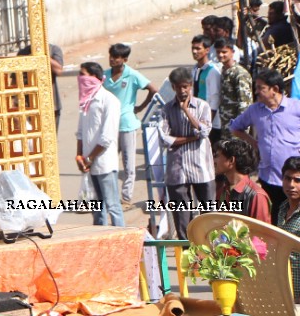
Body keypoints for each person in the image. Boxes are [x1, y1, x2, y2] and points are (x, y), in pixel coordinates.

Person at [230, 69, 300, 215]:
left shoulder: (295, 107)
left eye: (260, 88)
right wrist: (253, 142)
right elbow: (235, 128)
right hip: (269, 177)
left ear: (274, 89)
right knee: (274, 216)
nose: (256, 92)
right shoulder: (255, 110)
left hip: (296, 177)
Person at [159, 66, 215, 240]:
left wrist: (186, 111)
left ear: (190, 85)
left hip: (202, 169)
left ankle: (210, 257)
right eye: (178, 87)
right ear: (173, 87)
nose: (182, 91)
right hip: (177, 172)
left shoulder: (202, 106)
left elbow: (204, 132)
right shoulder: (166, 110)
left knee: (209, 218)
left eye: (185, 87)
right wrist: (192, 138)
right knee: (182, 222)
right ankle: (187, 258)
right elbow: (164, 139)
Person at [103, 43, 158, 207]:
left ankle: (126, 196)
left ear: (124, 59)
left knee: (128, 163)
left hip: (126, 123)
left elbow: (153, 89)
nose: (112, 59)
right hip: (109, 124)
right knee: (108, 161)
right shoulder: (105, 76)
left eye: (116, 57)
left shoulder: (132, 75)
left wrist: (140, 107)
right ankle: (109, 194)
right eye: (111, 56)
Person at [76, 62, 124, 228]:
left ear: (95, 78)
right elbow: (81, 132)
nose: (81, 79)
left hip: (104, 162)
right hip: (89, 161)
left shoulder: (109, 101)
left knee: (112, 205)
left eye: (84, 75)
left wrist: (90, 157)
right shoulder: (86, 102)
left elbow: (107, 136)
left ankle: (122, 240)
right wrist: (80, 156)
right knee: (97, 207)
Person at [213, 138, 271, 223]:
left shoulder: (256, 196)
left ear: (231, 160)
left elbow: (262, 233)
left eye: (216, 156)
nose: (213, 161)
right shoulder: (222, 192)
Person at [19, 42, 64, 129]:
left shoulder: (53, 50)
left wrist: (44, 56)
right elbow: (15, 78)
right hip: (29, 105)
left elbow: (59, 70)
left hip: (51, 103)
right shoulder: (24, 52)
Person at [274, 156, 300, 302]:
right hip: (284, 291)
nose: (291, 185)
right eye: (287, 179)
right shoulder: (283, 208)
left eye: (298, 180)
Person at [216, 39, 252, 144]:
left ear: (232, 52)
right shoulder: (224, 71)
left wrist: (240, 129)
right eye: (218, 52)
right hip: (226, 125)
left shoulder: (240, 74)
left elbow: (245, 104)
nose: (221, 55)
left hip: (237, 128)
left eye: (224, 52)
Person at [190, 35, 222, 139]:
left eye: (198, 49)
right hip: (197, 118)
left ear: (207, 50)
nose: (194, 52)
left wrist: (208, 122)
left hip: (212, 123)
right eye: (193, 48)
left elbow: (215, 98)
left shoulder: (213, 71)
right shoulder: (194, 70)